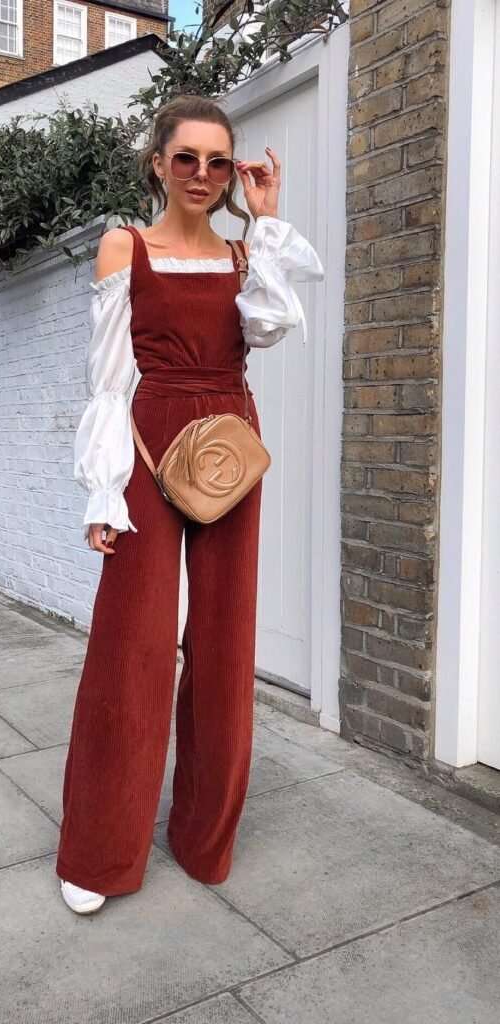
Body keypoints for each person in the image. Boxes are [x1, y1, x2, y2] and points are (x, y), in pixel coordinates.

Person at [56, 93, 324, 915]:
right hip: (146, 445)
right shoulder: (122, 246)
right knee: (131, 644)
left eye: (218, 162)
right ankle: (101, 853)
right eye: (185, 159)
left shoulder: (246, 257)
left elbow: (269, 331)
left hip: (229, 446)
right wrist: (103, 491)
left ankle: (204, 836)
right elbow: (107, 382)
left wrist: (268, 220)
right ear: (156, 163)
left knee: (221, 641)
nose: (202, 175)